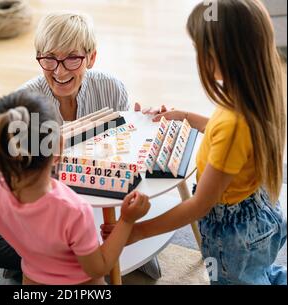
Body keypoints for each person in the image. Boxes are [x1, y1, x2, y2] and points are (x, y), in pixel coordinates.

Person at [103, 0, 287, 285]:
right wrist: (184, 116)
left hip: (233, 233)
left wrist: (137, 231)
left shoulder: (232, 125)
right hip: (258, 211)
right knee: (256, 272)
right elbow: (224, 131)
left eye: (198, 49)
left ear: (219, 58)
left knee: (237, 278)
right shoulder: (253, 97)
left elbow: (199, 205)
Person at [0, 11, 162, 280]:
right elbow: (16, 174)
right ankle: (63, 255)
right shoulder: (24, 102)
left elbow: (126, 151)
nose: (60, 70)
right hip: (46, 200)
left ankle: (63, 254)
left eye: (72, 58)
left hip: (99, 192)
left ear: (91, 57)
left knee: (137, 205)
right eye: (49, 59)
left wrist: (142, 122)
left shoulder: (112, 88)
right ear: (39, 57)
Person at [0, 90, 150, 284]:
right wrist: (126, 221)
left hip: (32, 279)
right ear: (59, 147)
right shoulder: (73, 209)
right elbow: (98, 268)